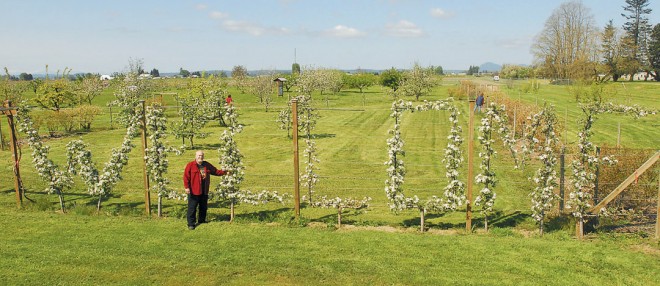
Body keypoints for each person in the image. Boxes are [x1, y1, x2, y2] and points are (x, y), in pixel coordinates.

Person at [183, 150, 230, 230]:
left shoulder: (206, 165)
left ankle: (202, 220)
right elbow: (186, 177)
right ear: (195, 156)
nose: (200, 157)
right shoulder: (190, 165)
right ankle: (191, 224)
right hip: (194, 190)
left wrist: (225, 172)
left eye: (201, 155)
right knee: (192, 208)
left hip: (204, 190)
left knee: (203, 207)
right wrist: (187, 187)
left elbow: (215, 171)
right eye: (199, 155)